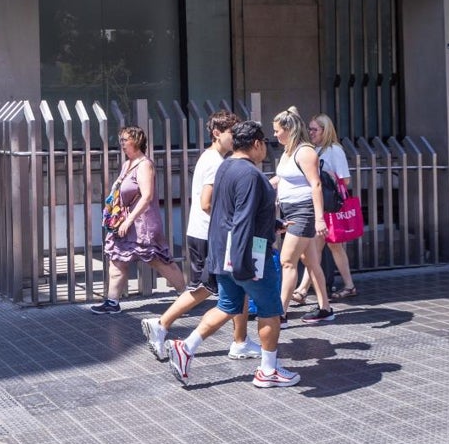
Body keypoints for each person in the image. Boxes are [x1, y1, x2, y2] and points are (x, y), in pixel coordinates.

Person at [165, 121, 300, 388]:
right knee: (271, 309)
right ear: (257, 144)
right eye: (265, 145)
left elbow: (228, 211)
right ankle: (268, 370)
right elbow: (243, 219)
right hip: (250, 253)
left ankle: (186, 348)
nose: (266, 151)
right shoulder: (252, 175)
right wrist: (244, 262)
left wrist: (272, 224)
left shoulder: (225, 166)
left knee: (227, 305)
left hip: (225, 250)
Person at [141, 111, 259, 360]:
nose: (236, 138)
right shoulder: (215, 162)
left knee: (234, 286)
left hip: (204, 233)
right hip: (209, 234)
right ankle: (162, 324)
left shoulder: (213, 158)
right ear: (217, 133)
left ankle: (240, 340)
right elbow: (207, 202)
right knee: (205, 288)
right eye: (231, 133)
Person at [91, 126, 187, 314]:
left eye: (125, 140)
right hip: (124, 222)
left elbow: (147, 196)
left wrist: (129, 220)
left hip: (142, 223)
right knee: (117, 259)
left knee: (158, 259)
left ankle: (185, 295)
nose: (122, 144)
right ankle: (112, 302)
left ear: (135, 141)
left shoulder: (144, 165)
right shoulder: (128, 164)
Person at [271, 107, 333, 324]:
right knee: (311, 261)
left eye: (278, 130)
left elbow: (316, 184)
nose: (275, 134)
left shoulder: (305, 152)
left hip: (303, 212)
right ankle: (325, 307)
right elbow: (281, 179)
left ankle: (280, 313)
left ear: (289, 129)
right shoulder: (288, 152)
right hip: (290, 210)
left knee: (287, 260)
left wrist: (319, 219)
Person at [292, 113, 358, 301]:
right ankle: (304, 289)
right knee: (317, 247)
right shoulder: (315, 149)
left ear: (325, 130)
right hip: (323, 206)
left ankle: (306, 289)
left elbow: (345, 179)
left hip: (331, 207)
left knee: (329, 246)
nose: (311, 132)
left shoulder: (334, 150)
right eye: (310, 129)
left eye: (315, 129)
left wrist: (328, 175)